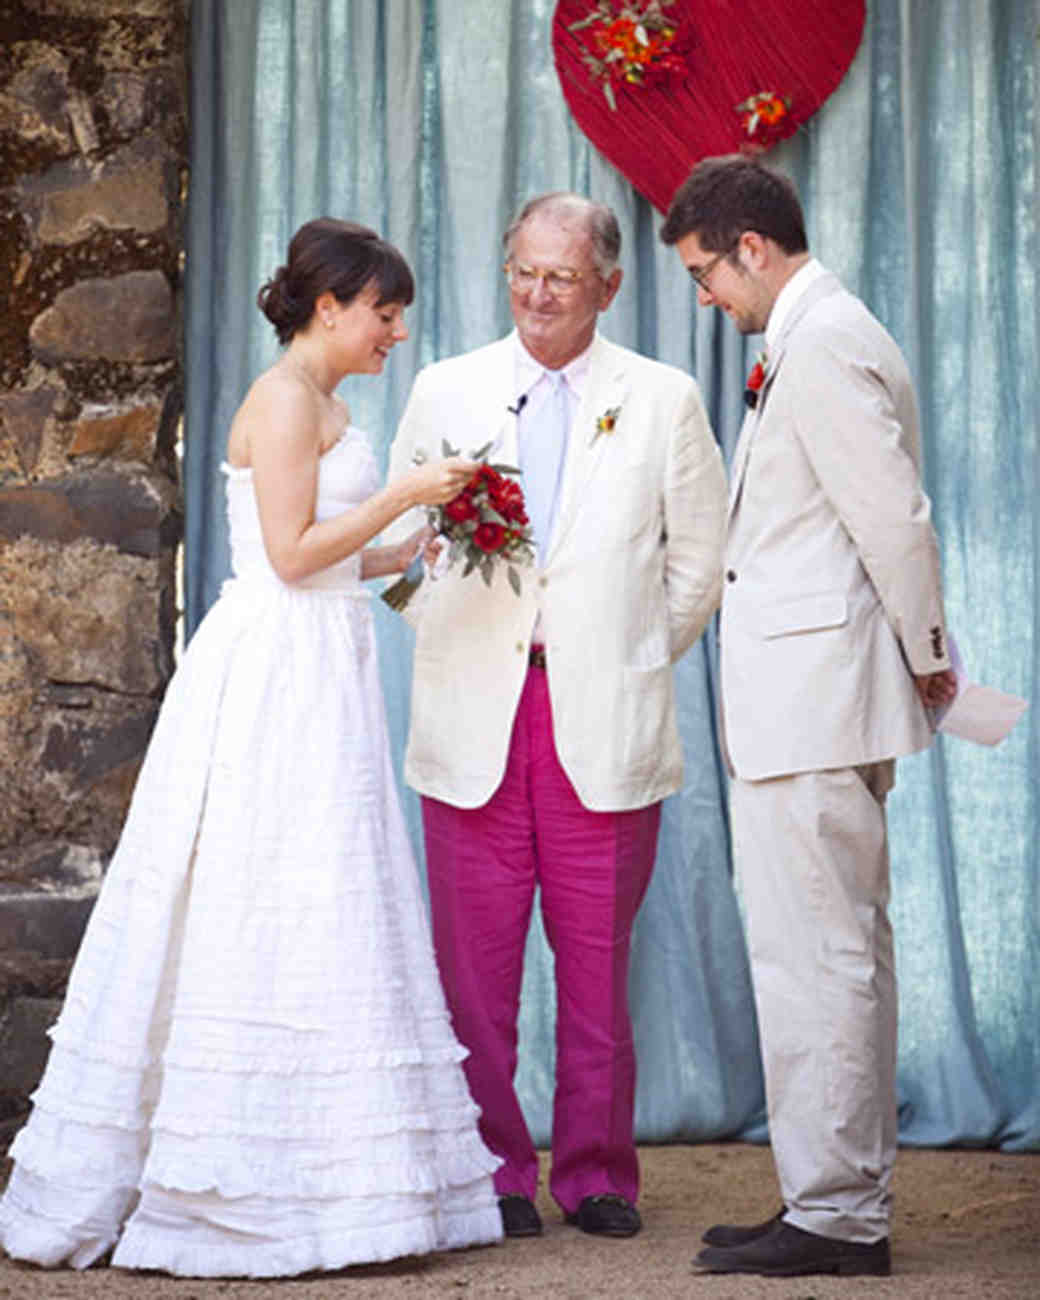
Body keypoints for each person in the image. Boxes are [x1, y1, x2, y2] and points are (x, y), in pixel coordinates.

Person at [0, 218, 504, 1278]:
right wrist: (400, 495)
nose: (394, 332)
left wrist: (409, 546)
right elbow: (286, 555)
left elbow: (329, 555)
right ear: (330, 307)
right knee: (262, 884)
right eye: (383, 313)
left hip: (324, 660)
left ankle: (331, 1180)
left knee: (326, 889)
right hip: (277, 669)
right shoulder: (282, 401)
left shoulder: (328, 402)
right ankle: (232, 1186)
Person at [385, 192, 727, 1240]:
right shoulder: (446, 388)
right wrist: (463, 633)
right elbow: (399, 550)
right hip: (471, 718)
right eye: (523, 272)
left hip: (603, 720)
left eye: (561, 278)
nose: (537, 295)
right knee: (472, 975)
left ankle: (595, 1174)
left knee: (595, 971)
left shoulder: (663, 398)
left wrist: (625, 653)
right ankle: (490, 1172)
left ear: (607, 288)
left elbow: (699, 564)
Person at [659, 156, 958, 1278]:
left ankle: (835, 1214)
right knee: (830, 955)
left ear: (750, 247)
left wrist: (928, 658)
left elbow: (893, 522)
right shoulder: (817, 334)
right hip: (813, 703)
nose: (705, 298)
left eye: (704, 273)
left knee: (818, 960)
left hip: (816, 707)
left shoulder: (824, 341)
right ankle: (830, 1192)